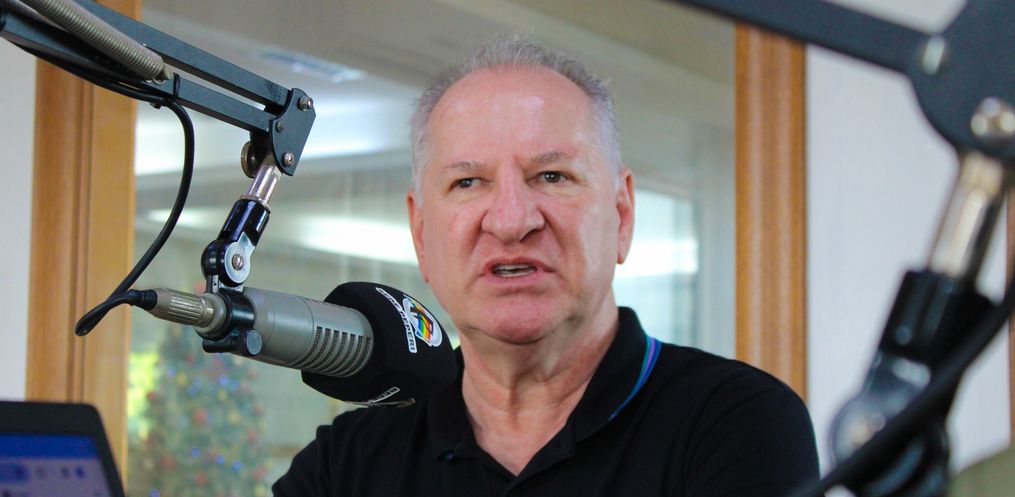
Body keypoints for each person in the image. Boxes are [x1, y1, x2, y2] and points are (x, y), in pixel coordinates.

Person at [273, 34, 818, 497]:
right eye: (469, 182)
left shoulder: (739, 423)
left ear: (622, 215)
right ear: (421, 233)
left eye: (552, 176)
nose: (512, 221)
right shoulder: (347, 462)